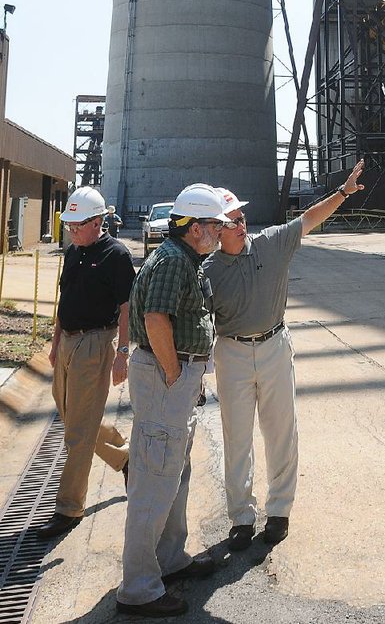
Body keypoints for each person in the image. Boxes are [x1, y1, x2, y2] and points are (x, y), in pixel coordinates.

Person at [204, 160, 365, 553]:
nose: (241, 225)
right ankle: (241, 518)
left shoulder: (272, 243)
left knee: (281, 432)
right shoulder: (208, 271)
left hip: (275, 346)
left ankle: (279, 511)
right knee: (236, 438)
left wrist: (342, 192)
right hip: (233, 353)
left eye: (242, 217)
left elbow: (310, 218)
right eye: (231, 221)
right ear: (215, 230)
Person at [116, 184, 228, 619]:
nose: (220, 232)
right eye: (216, 225)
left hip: (178, 378)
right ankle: (139, 588)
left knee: (175, 472)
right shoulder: (171, 262)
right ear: (196, 228)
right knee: (154, 477)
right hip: (167, 377)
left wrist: (187, 375)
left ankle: (169, 560)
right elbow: (155, 318)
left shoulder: (187, 259)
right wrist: (174, 373)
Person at [38, 185, 134, 540]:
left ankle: (68, 507)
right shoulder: (74, 252)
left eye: (78, 225)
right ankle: (125, 458)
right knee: (72, 415)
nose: (72, 231)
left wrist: (122, 353)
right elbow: (65, 298)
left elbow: (126, 309)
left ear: (98, 222)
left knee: (77, 433)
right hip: (68, 343)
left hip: (96, 344)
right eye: (69, 225)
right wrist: (55, 341)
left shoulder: (116, 255)